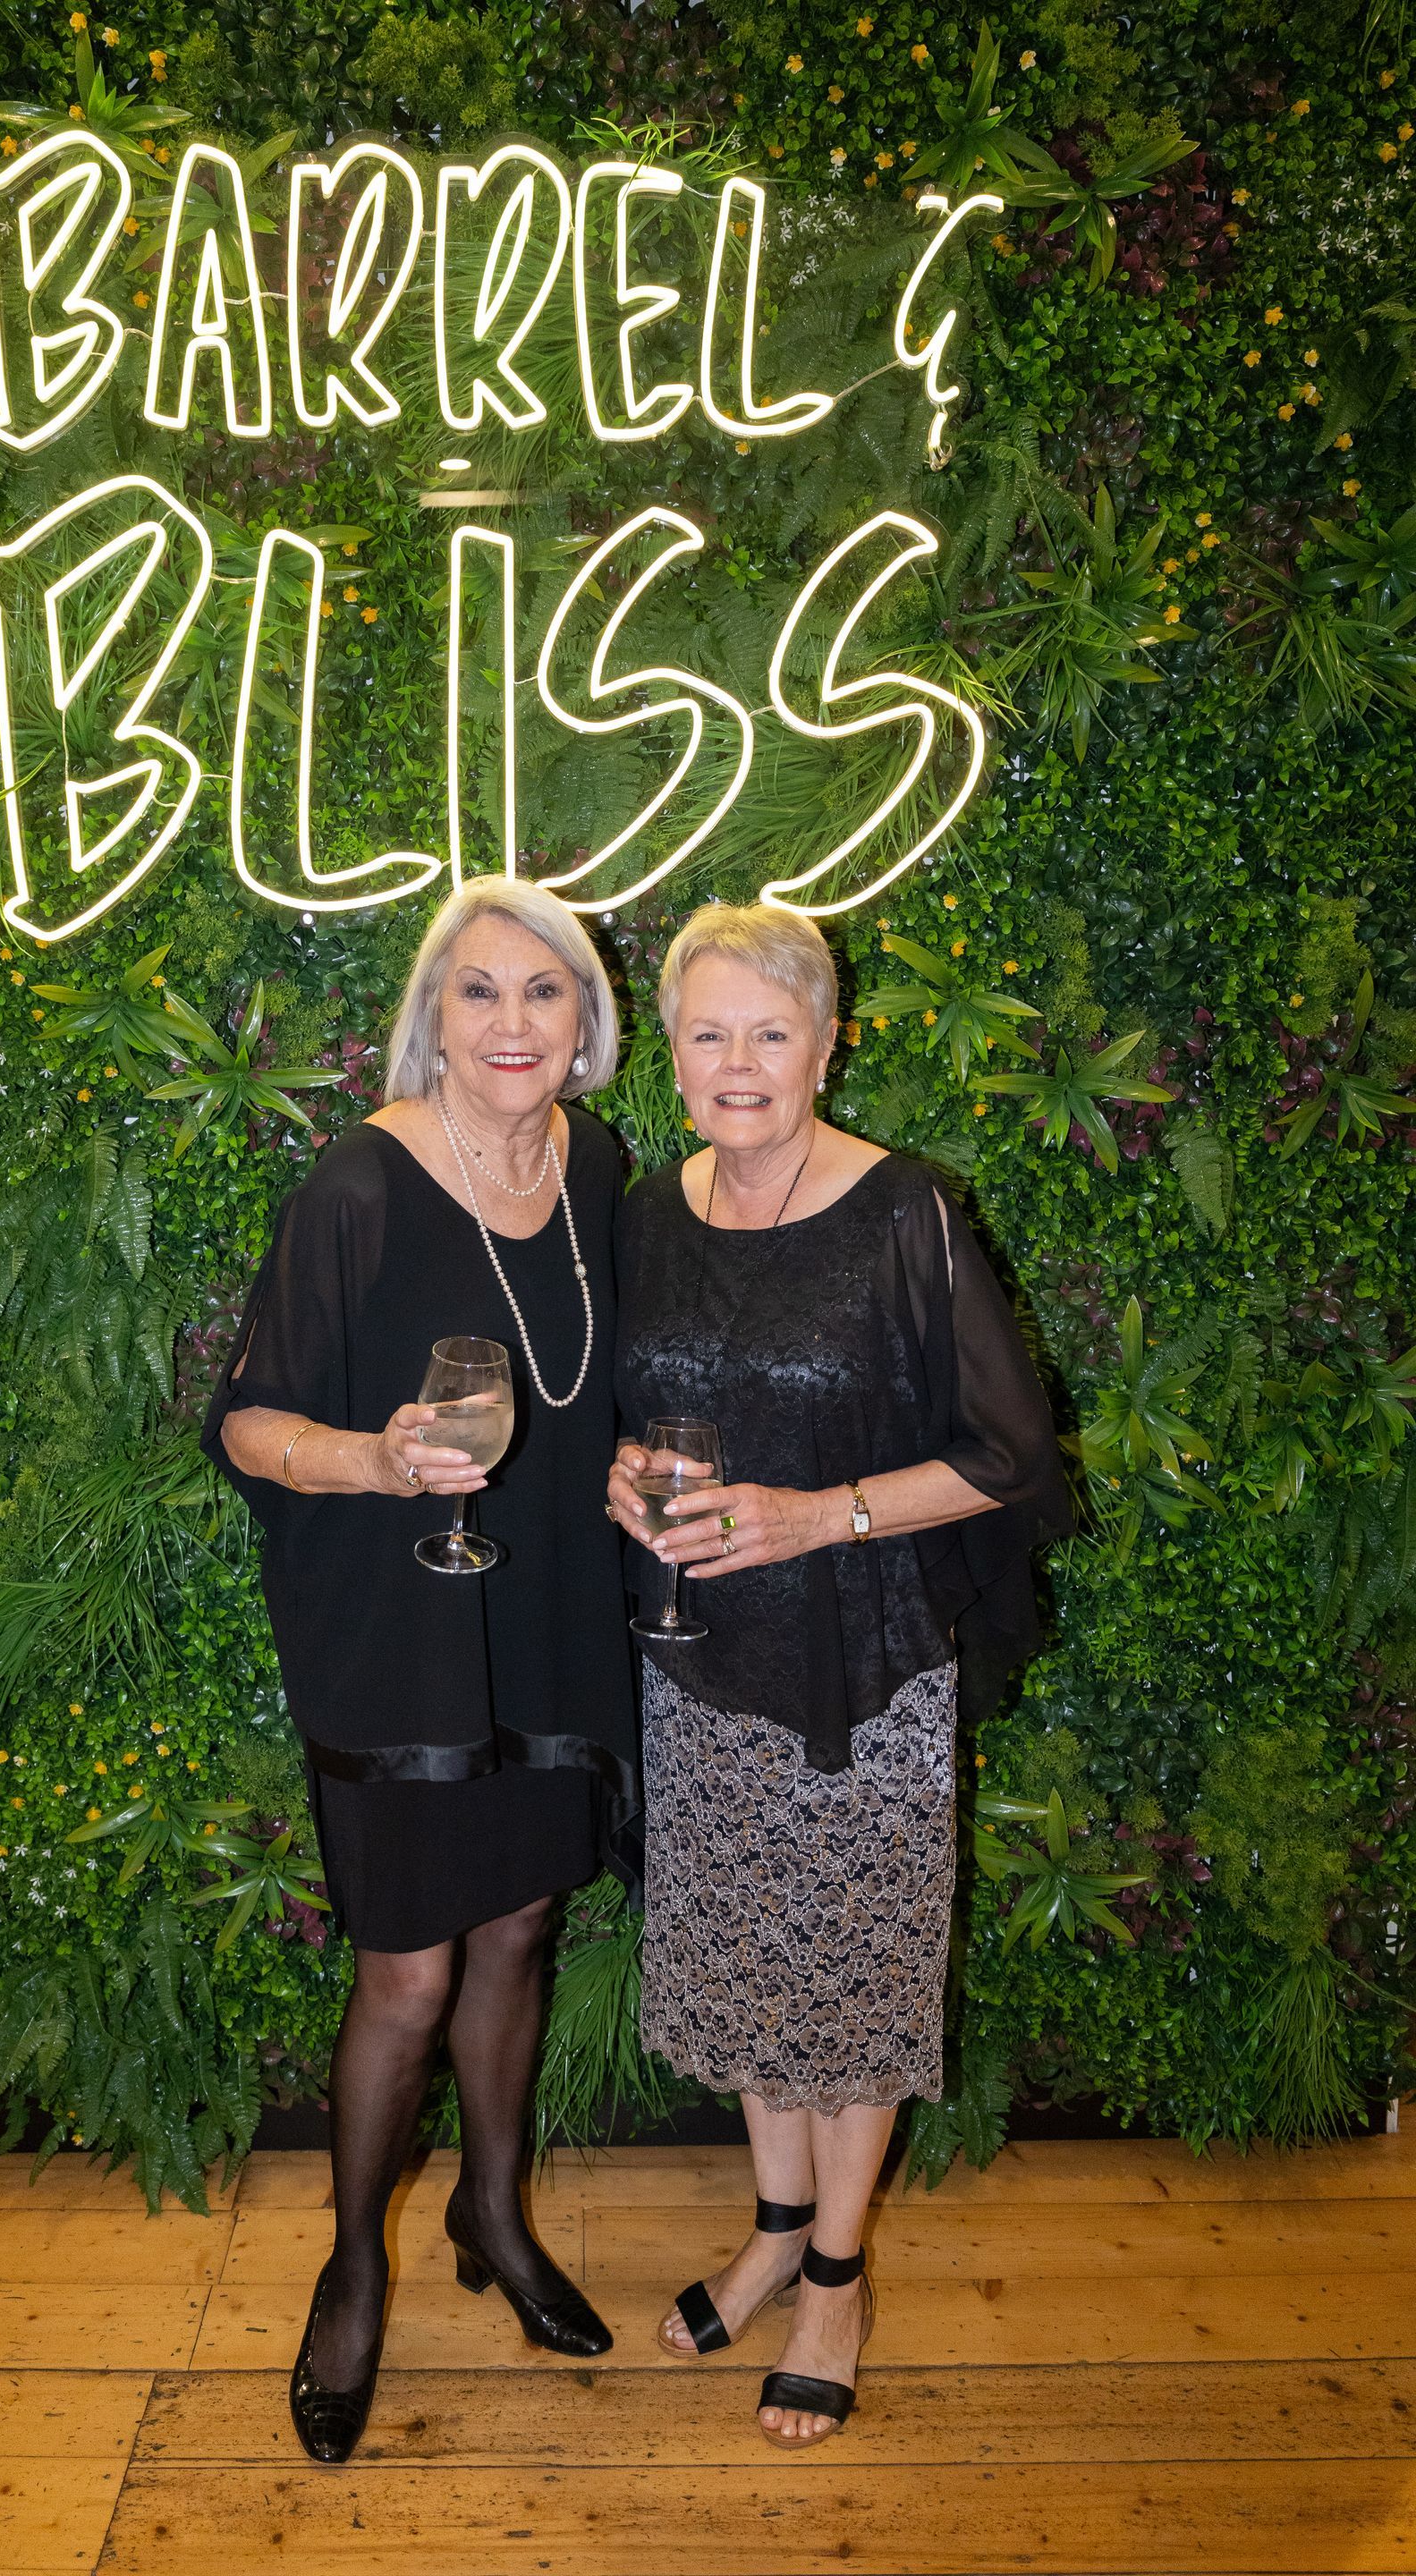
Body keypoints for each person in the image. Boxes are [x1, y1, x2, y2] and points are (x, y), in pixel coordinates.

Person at [609, 901, 1069, 2453]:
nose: (739, 1063)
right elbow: (641, 1405)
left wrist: (825, 1515)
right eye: (707, 1032)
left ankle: (838, 2282)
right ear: (669, 1054)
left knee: (853, 1985)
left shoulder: (904, 1211)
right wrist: (624, 1476)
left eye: (770, 1031)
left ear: (827, 1042)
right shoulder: (650, 1211)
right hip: (699, 1655)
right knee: (749, 1966)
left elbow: (1008, 1457)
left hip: (866, 1670)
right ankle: (770, 2229)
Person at [202, 879, 638, 2467]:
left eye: (545, 994)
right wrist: (378, 1464)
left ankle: (495, 2219)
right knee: (406, 1972)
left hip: (556, 1613)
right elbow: (249, 1422)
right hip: (395, 1619)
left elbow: (605, 1384)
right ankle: (354, 2270)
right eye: (480, 993)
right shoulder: (361, 1187)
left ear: (586, 1025)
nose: (514, 1024)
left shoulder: (599, 1166)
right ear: (430, 1016)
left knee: (520, 1923)